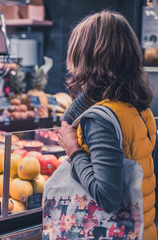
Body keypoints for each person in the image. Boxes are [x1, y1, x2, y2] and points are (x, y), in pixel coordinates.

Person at [58, 10, 157, 239]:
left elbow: (107, 197)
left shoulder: (100, 120)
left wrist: (74, 151)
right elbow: (67, 121)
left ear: (85, 57)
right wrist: (92, 86)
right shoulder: (138, 107)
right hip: (143, 229)